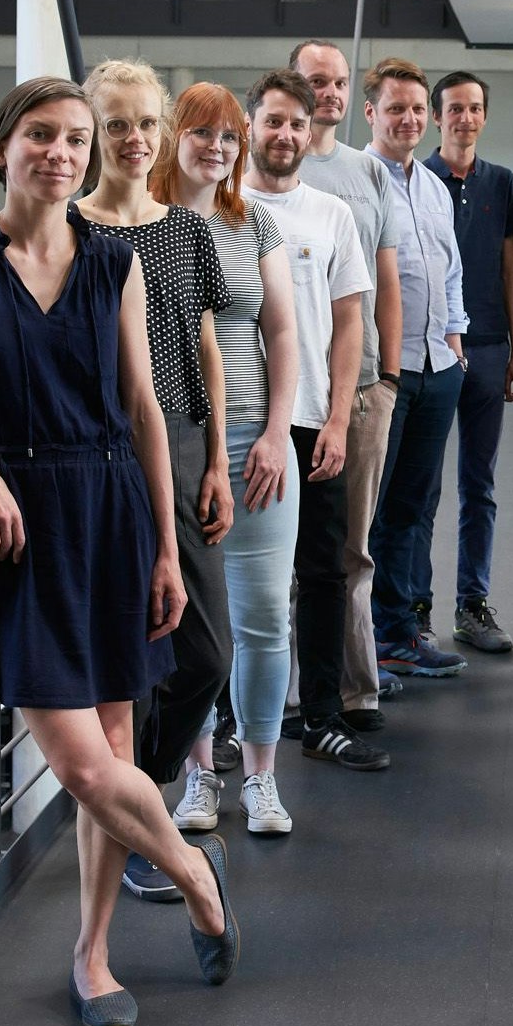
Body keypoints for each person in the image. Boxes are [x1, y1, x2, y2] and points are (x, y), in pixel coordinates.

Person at [0, 77, 235, 1026]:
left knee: (115, 750)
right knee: (84, 766)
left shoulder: (114, 260)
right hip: (19, 526)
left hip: (112, 510)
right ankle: (197, 874)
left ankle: (91, 955)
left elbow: (144, 409)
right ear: (4, 145)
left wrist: (167, 549)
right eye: (43, 135)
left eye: (76, 140)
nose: (62, 153)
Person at [75, 59, 236, 905]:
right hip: (98, 457)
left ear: (162, 132)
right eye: (116, 125)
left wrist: (215, 458)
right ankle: (142, 832)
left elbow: (206, 348)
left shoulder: (185, 229)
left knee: (208, 654)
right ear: (95, 133)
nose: (133, 140)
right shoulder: (67, 227)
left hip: (177, 444)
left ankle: (146, 795)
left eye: (145, 124)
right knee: (129, 664)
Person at [155, 81, 306, 836]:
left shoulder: (256, 224)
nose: (217, 149)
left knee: (263, 617)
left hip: (254, 439)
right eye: (202, 134)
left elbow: (282, 333)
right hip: (174, 441)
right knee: (190, 622)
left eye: (228, 138)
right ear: (173, 135)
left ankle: (262, 779)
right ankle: (199, 776)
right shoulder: (142, 222)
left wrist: (279, 432)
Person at [239, 69, 388, 773]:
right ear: (250, 127)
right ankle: (233, 728)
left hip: (312, 424)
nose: (286, 134)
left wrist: (336, 421)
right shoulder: (219, 209)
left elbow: (349, 320)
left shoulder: (331, 213)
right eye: (273, 120)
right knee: (240, 580)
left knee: (325, 571)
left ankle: (322, 715)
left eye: (297, 123)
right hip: (239, 426)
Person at [287, 39, 406, 723]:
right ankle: (291, 693)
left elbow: (383, 282)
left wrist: (386, 375)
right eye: (315, 82)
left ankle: (352, 691)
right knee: (281, 559)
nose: (328, 93)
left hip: (358, 392)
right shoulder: (259, 168)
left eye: (337, 83)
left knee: (349, 551)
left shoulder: (368, 173)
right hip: (279, 396)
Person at [363, 57, 471, 677]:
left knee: (412, 506)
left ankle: (399, 634)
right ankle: (367, 641)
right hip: (383, 372)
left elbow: (450, 270)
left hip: (437, 366)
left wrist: (456, 340)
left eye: (415, 109)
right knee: (370, 512)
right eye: (393, 108)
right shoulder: (355, 180)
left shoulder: (431, 185)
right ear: (371, 112)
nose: (407, 119)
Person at [425, 71, 513, 655]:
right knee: (417, 490)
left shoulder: (502, 183)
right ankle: (414, 611)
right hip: (431, 351)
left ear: (484, 117)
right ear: (438, 117)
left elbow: (511, 269)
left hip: (489, 349)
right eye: (454, 109)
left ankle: (472, 604)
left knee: (479, 484)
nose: (465, 118)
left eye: (474, 109)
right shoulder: (415, 179)